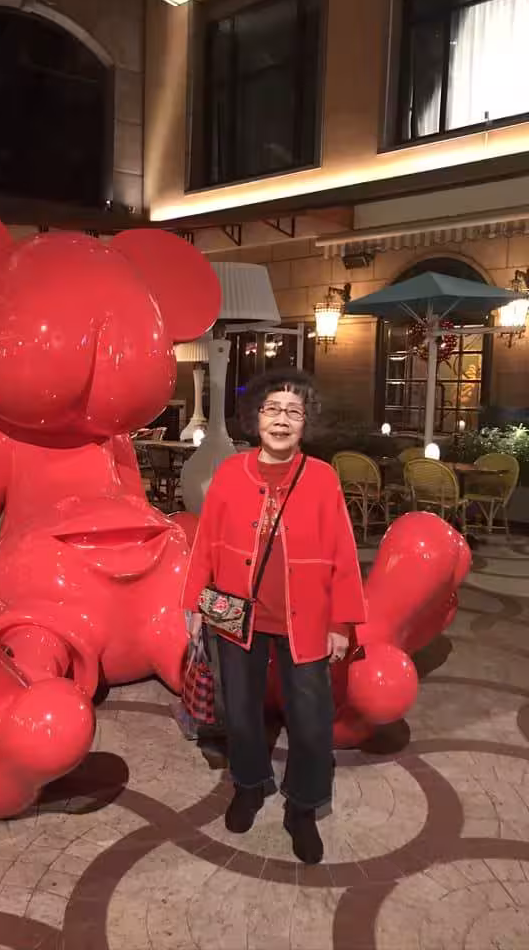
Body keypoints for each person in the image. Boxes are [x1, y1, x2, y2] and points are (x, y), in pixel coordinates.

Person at [182, 368, 366, 864]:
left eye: (293, 412)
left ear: (306, 422)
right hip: (236, 614)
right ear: (255, 417)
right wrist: (194, 603)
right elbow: (205, 543)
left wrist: (340, 623)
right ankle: (249, 784)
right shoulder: (229, 472)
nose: (281, 420)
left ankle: (302, 806)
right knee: (240, 711)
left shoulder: (322, 478)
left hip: (306, 619)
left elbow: (343, 552)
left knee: (311, 721)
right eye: (272, 410)